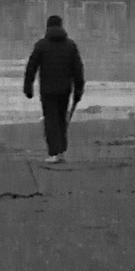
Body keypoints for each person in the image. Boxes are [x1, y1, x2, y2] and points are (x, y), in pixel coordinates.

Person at [24, 14, 84, 163]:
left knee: (51, 120)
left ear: (48, 27)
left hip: (48, 90)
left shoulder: (41, 45)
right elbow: (78, 70)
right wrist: (78, 90)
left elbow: (31, 67)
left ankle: (54, 153)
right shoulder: (70, 45)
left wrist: (28, 87)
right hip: (65, 89)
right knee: (61, 119)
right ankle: (61, 151)